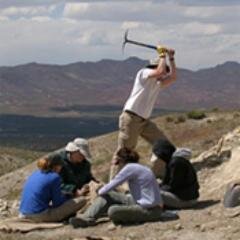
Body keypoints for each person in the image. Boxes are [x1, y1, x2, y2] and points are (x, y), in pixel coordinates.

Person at [110, 46, 177, 180]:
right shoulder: (143, 73)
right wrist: (162, 56)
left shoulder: (157, 83)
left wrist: (171, 58)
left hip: (144, 121)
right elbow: (160, 71)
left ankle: (162, 173)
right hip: (131, 118)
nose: (164, 73)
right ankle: (113, 183)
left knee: (164, 145)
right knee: (124, 152)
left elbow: (173, 77)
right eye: (164, 69)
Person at [69, 147, 165, 227]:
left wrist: (98, 190)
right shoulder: (139, 167)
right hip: (145, 204)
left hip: (150, 210)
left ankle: (87, 218)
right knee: (109, 195)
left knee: (113, 210)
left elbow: (113, 184)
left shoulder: (129, 168)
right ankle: (87, 218)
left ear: (122, 160)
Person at [19, 155, 86, 222]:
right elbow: (57, 203)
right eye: (61, 166)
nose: (61, 168)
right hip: (38, 215)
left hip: (23, 213)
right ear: (57, 166)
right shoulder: (55, 177)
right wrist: (70, 196)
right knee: (82, 200)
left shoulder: (35, 173)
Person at [152, 139, 200, 209]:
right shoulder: (174, 160)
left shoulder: (176, 163)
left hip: (187, 200)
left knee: (152, 193)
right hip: (187, 196)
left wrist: (158, 188)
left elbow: (173, 185)